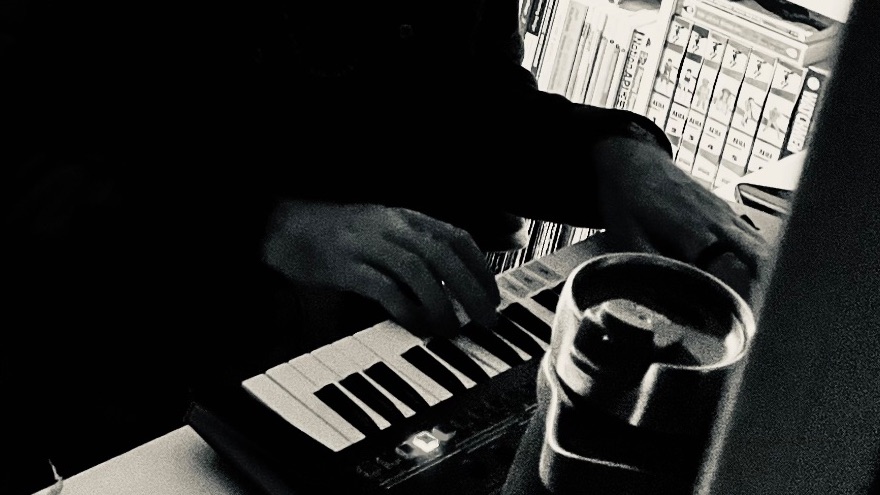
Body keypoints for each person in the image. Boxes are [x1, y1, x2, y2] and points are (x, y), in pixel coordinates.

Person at [2, 1, 769, 493]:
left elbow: (470, 107)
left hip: (378, 345)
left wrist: (605, 152)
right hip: (141, 385)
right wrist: (266, 223)